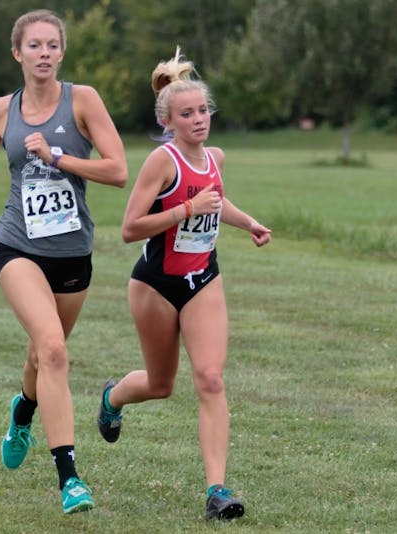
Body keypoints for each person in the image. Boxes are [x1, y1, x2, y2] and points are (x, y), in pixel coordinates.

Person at [0, 9, 127, 514]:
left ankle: (23, 409)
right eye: (35, 46)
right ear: (18, 53)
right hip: (17, 247)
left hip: (73, 253)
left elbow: (118, 170)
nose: (45, 54)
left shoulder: (83, 101)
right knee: (53, 351)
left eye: (53, 45)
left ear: (62, 53)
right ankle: (69, 477)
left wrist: (58, 158)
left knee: (40, 354)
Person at [95, 47, 271, 521]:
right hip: (155, 284)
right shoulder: (161, 162)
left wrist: (248, 221)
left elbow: (216, 200)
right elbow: (130, 228)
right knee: (160, 384)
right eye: (187, 114)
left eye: (203, 111)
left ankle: (217, 492)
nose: (199, 120)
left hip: (203, 280)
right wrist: (183, 211)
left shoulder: (216, 157)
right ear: (168, 121)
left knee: (211, 379)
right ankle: (112, 397)